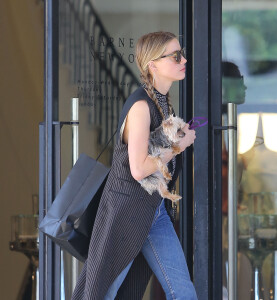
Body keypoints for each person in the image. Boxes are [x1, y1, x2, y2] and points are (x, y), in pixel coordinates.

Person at [71, 31, 197, 300]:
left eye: (181, 53)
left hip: (154, 211)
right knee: (104, 293)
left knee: (183, 291)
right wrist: (179, 146)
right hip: (126, 214)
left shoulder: (161, 102)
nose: (183, 59)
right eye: (175, 55)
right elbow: (138, 168)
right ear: (153, 65)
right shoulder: (141, 106)